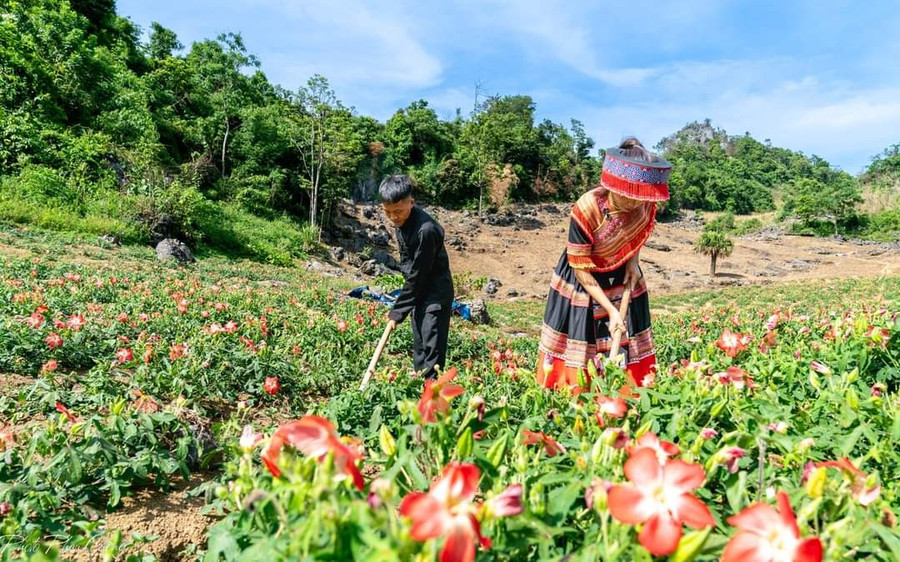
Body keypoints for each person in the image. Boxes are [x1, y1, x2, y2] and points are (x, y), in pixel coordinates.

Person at [536, 138, 671, 391]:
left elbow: (636, 233)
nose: (634, 202)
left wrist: (633, 260)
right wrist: (610, 309)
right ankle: (577, 396)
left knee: (626, 340)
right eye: (627, 195)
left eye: (638, 196)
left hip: (622, 273)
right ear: (613, 186)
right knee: (584, 340)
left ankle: (626, 393)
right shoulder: (587, 209)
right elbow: (580, 267)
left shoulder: (644, 203)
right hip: (583, 275)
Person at [380, 174, 455, 380]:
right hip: (418, 293)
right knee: (420, 349)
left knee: (432, 354)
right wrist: (406, 305)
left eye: (398, 211)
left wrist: (398, 311)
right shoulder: (402, 222)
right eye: (388, 212)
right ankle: (421, 399)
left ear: (411, 203)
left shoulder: (426, 231)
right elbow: (408, 266)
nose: (394, 217)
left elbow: (418, 274)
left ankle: (433, 404)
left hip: (435, 296)